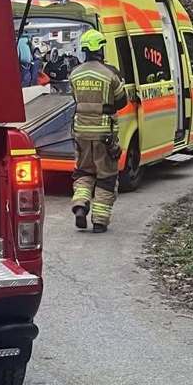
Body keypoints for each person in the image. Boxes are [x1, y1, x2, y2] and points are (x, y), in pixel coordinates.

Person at [69, 29, 128, 233]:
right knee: (106, 176)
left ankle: (80, 205)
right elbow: (122, 101)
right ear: (100, 49)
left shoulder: (75, 74)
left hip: (81, 132)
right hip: (105, 134)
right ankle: (100, 221)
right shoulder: (110, 73)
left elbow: (75, 99)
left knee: (84, 171)